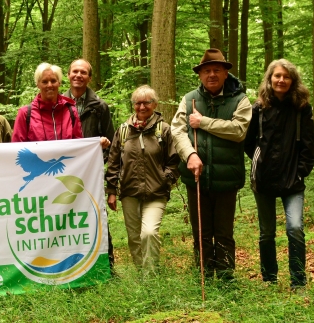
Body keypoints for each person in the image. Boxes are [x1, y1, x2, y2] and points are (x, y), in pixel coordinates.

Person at [172, 49, 251, 280]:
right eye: (207, 71)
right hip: (196, 177)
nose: (212, 75)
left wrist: (203, 122)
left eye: (217, 70)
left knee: (224, 232)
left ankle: (226, 277)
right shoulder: (189, 99)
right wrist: (190, 155)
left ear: (226, 73)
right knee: (201, 231)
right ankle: (204, 275)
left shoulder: (240, 100)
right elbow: (177, 131)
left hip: (227, 178)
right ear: (200, 75)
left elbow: (239, 131)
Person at [244, 59, 314, 289]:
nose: (281, 80)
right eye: (277, 76)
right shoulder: (258, 109)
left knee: (295, 228)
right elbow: (248, 142)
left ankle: (298, 281)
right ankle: (269, 279)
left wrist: (301, 171)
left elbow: (309, 145)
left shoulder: (301, 108)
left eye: (286, 76)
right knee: (267, 232)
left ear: (293, 80)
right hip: (263, 179)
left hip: (293, 180)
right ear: (270, 78)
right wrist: (260, 162)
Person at [105, 86, 180, 274]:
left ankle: (151, 275)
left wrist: (166, 179)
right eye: (138, 103)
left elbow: (174, 161)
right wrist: (112, 190)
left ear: (154, 104)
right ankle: (141, 272)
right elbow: (113, 163)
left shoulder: (163, 130)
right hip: (129, 192)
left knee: (149, 233)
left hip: (156, 192)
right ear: (133, 105)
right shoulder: (123, 130)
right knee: (134, 237)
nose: (142, 107)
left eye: (147, 102)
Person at [12, 63, 83, 142]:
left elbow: (79, 145)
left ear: (59, 83)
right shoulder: (25, 114)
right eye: (44, 82)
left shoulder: (71, 111)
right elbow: (17, 147)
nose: (49, 85)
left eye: (53, 81)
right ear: (38, 84)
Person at [67, 59, 114, 152]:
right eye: (75, 71)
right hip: (66, 159)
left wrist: (103, 152)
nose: (78, 75)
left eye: (83, 72)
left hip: (92, 160)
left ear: (90, 78)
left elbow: (111, 142)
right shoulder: (59, 106)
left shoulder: (100, 106)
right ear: (68, 75)